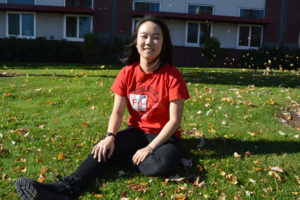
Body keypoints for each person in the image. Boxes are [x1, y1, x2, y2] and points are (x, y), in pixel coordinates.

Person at [15, 15, 190, 200]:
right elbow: (117, 111)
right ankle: (66, 189)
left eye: (156, 37)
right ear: (136, 41)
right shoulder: (126, 73)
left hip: (164, 137)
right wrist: (110, 137)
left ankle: (118, 159)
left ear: (163, 43)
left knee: (162, 165)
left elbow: (174, 120)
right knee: (104, 148)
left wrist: (150, 148)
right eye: (144, 36)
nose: (149, 42)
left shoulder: (173, 76)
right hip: (137, 132)